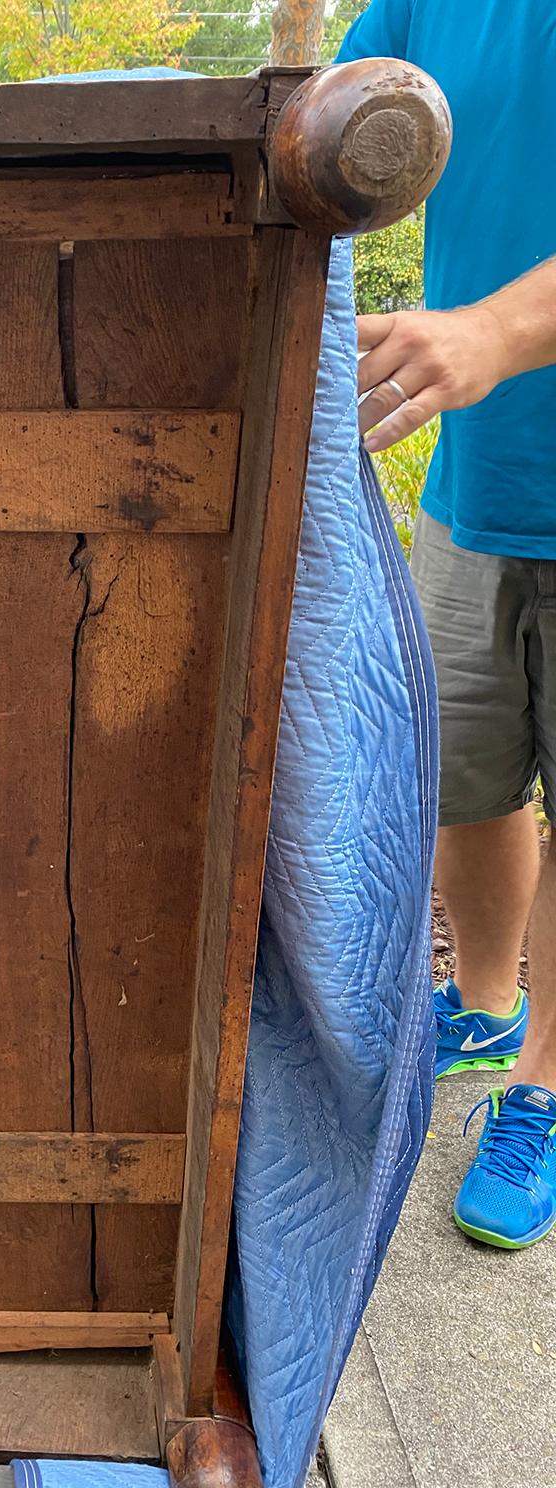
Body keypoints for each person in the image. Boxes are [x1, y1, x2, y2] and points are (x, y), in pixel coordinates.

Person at [335, 0, 556, 1248]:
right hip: (477, 489)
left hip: (496, 396)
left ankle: (545, 1095)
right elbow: (335, 111)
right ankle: (484, 1007)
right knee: (469, 778)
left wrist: (485, 333)